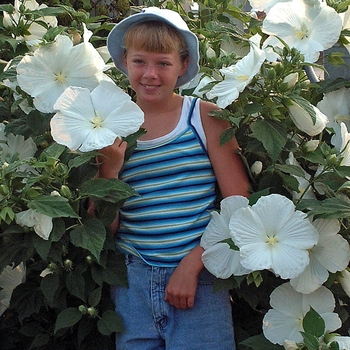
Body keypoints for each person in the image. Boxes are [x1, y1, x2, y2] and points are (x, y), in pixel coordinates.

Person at [101, 6, 250, 350]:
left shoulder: (204, 117)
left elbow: (238, 203)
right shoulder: (110, 125)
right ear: (124, 61)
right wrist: (109, 170)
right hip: (131, 281)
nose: (150, 74)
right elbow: (104, 228)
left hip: (198, 279)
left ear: (183, 65)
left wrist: (193, 264)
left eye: (163, 63)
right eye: (139, 61)